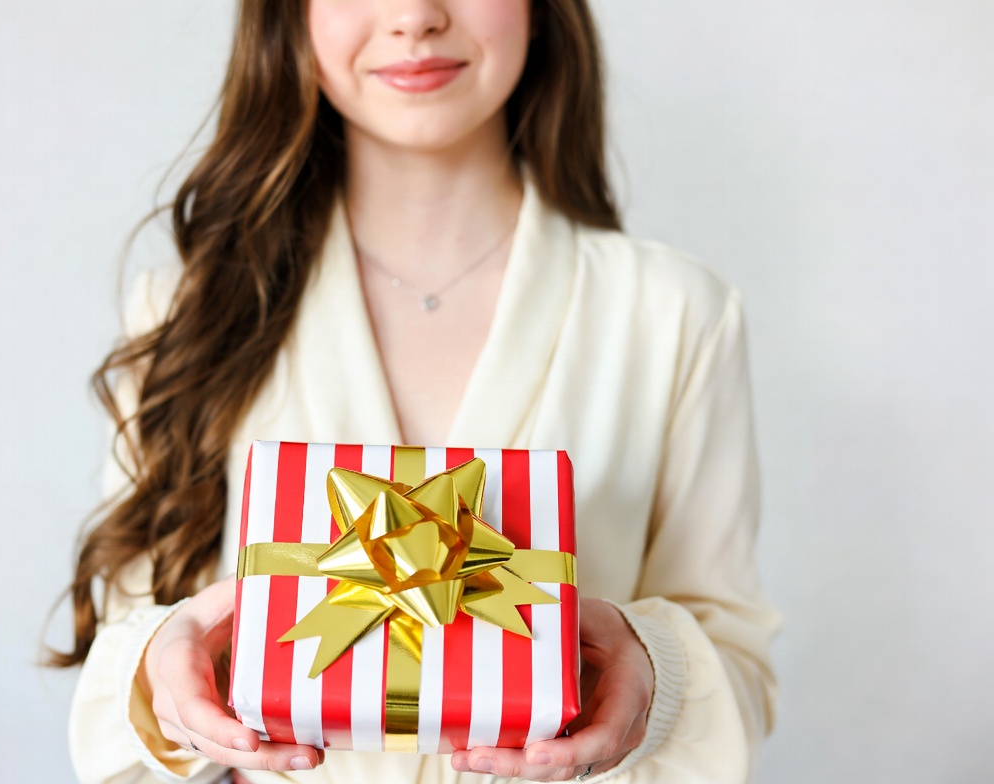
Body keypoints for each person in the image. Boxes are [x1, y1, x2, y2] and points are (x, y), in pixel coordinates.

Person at [48, 1, 781, 782]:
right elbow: (125, 651)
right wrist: (160, 677)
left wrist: (655, 673)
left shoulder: (674, 314)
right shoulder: (187, 309)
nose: (413, 16)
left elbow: (736, 662)